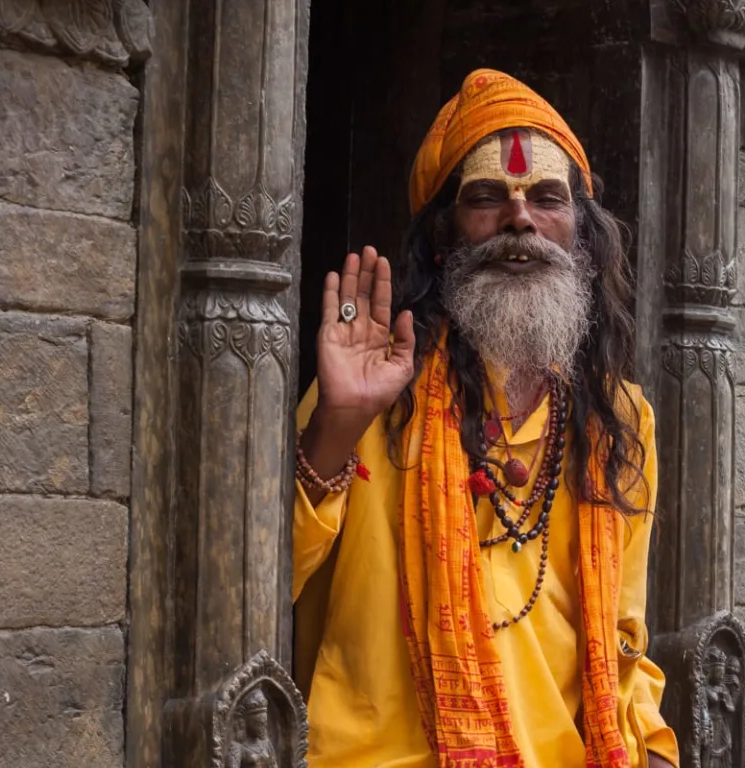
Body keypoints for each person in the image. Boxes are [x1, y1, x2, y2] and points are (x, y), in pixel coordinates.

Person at [289, 71, 676, 767]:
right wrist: (336, 430)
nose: (520, 219)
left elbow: (625, 643)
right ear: (444, 236)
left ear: (581, 238)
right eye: (487, 197)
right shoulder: (371, 393)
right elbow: (257, 588)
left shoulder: (620, 419)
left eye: (547, 198)